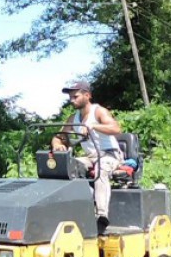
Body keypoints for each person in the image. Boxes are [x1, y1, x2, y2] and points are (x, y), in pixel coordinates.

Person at [51, 80, 123, 231]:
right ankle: (79, 209)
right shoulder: (73, 118)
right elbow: (59, 137)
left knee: (101, 170)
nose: (72, 100)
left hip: (109, 154)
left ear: (87, 95)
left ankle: (102, 216)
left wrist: (93, 126)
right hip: (90, 156)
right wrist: (57, 144)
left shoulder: (98, 111)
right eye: (70, 97)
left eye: (75, 96)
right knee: (68, 167)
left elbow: (116, 129)